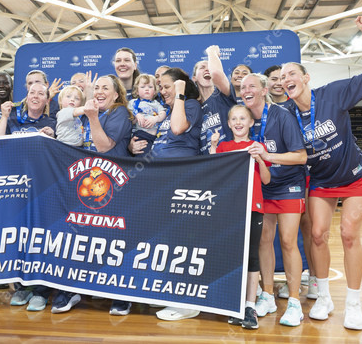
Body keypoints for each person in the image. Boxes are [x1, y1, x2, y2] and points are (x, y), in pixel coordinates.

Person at [280, 15, 362, 330]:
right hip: (322, 180)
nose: (286, 78)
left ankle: (353, 305)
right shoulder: (285, 113)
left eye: (292, 73)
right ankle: (324, 297)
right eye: (282, 76)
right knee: (317, 234)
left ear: (305, 77)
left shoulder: (333, 93)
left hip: (355, 175)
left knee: (349, 234)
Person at [132, 68, 203, 321]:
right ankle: (169, 292)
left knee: (180, 240)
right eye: (159, 87)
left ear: (180, 86)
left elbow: (178, 128)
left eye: (166, 86)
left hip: (181, 177)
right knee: (165, 239)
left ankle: (187, 304)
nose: (161, 91)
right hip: (162, 178)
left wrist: (181, 94)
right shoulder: (169, 109)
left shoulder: (189, 104)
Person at [241, 73, 308, 327]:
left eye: (251, 86)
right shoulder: (244, 119)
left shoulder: (281, 115)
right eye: (242, 87)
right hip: (263, 186)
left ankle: (294, 303)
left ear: (263, 90)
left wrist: (268, 156)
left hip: (289, 185)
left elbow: (300, 156)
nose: (246, 90)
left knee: (288, 241)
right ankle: (267, 295)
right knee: (264, 240)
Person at [0, 82, 57, 311]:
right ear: (26, 97)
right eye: (32, 93)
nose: (36, 96)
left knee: (39, 239)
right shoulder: (12, 119)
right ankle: (22, 286)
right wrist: (4, 116)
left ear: (47, 100)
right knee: (19, 238)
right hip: (16, 188)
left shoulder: (51, 122)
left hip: (42, 189)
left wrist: (53, 136)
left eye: (41, 94)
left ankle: (41, 291)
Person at [210, 105, 270, 329]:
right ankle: (233, 301)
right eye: (234, 119)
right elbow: (213, 169)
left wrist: (260, 159)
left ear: (251, 122)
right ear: (228, 123)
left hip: (253, 206)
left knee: (252, 256)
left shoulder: (257, 146)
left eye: (242, 118)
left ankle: (250, 306)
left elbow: (266, 180)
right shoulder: (224, 146)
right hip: (230, 208)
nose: (238, 122)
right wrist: (213, 145)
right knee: (231, 255)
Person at [264, 64, 317, 301]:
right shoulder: (263, 111)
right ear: (266, 84)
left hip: (302, 172)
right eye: (274, 79)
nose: (278, 82)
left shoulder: (296, 103)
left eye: (282, 78)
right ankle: (285, 280)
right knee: (274, 236)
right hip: (275, 177)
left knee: (308, 227)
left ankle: (313, 277)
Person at [82, 75, 134, 315]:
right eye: (97, 88)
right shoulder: (96, 113)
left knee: (117, 241)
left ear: (116, 94)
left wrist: (92, 117)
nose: (100, 91)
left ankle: (122, 296)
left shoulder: (119, 112)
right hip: (94, 184)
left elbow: (104, 146)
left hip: (116, 186)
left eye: (105, 88)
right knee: (98, 238)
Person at [129, 74, 166, 155]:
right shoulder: (133, 102)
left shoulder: (156, 103)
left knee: (157, 156)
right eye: (143, 87)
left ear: (155, 91)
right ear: (137, 91)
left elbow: (163, 113)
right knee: (143, 154)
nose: (146, 89)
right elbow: (129, 114)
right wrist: (137, 115)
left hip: (156, 137)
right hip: (142, 135)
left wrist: (155, 118)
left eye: (150, 87)